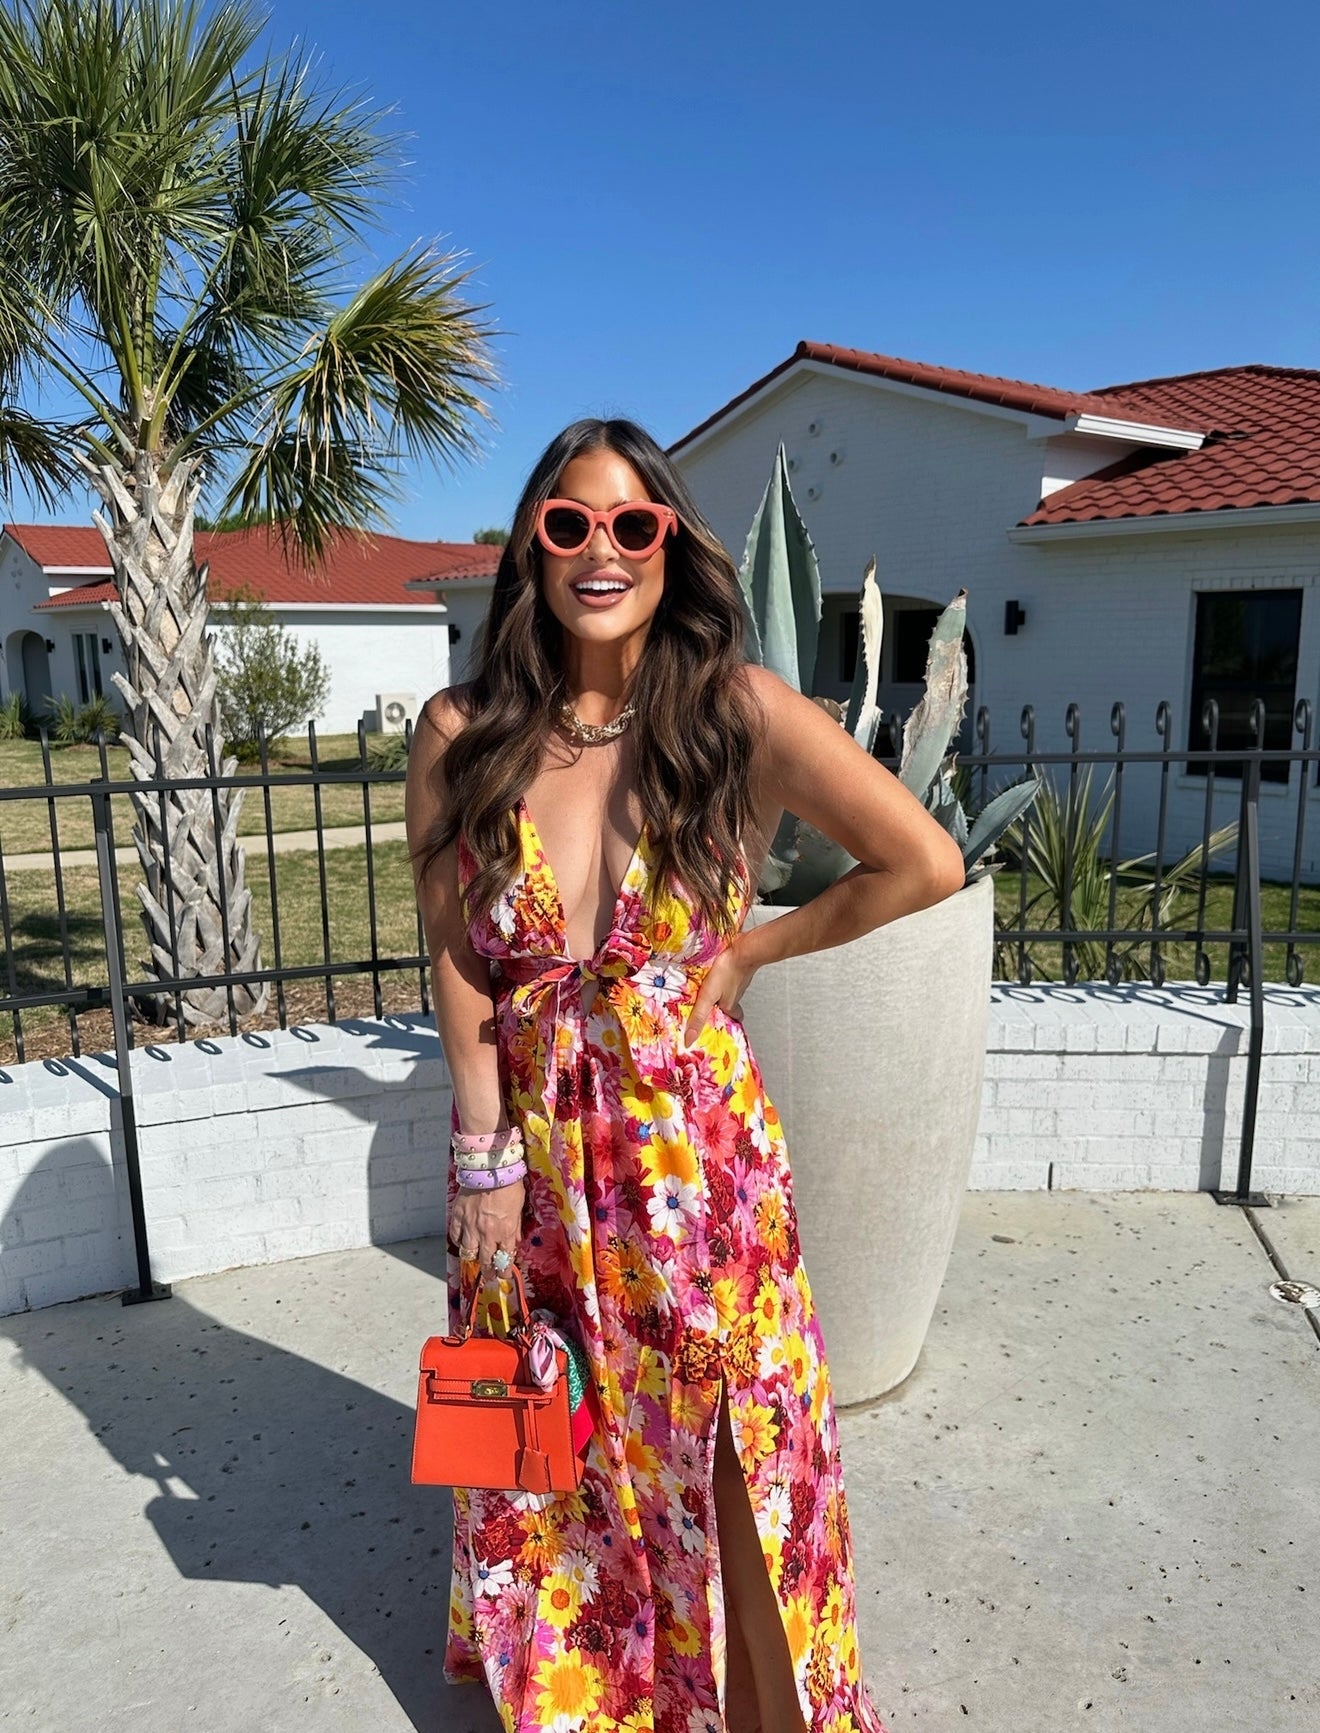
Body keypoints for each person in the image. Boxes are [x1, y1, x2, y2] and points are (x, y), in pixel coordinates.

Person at [405, 417, 965, 1733]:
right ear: (533, 548)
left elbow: (924, 861)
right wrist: (482, 1149)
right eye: (569, 523)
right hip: (535, 1163)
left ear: (671, 545)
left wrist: (756, 948)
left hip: (698, 1166)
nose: (600, 549)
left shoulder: (734, 712)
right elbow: (456, 947)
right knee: (556, 1442)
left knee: (734, 1453)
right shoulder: (462, 731)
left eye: (632, 523)